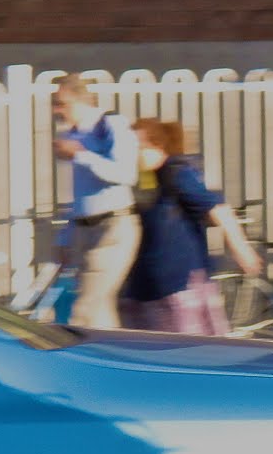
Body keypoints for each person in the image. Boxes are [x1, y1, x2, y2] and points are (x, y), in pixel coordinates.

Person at [119, 120, 261, 334]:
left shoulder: (176, 173)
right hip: (143, 286)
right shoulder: (135, 180)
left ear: (158, 146)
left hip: (179, 285)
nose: (133, 154)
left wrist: (241, 249)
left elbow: (218, 209)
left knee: (189, 347)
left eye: (139, 147)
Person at [50, 74, 141, 329]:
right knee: (98, 309)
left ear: (82, 100)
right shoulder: (75, 134)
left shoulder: (109, 125)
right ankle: (112, 352)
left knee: (84, 309)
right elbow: (82, 193)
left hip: (112, 227)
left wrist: (81, 155)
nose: (56, 111)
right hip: (84, 229)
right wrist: (65, 238)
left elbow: (126, 174)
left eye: (61, 103)